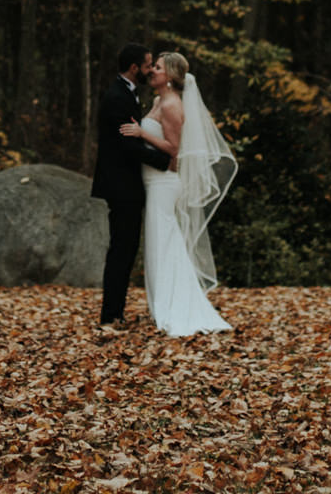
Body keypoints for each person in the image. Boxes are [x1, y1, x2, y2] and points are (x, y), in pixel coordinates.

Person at [118, 50, 237, 336]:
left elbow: (174, 149)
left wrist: (141, 133)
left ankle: (175, 307)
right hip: (152, 181)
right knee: (159, 244)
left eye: (157, 68)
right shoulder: (159, 100)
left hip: (164, 183)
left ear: (170, 75)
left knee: (164, 243)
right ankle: (162, 304)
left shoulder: (172, 105)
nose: (152, 71)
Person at [91, 44, 171, 330]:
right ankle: (110, 315)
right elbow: (128, 146)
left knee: (124, 249)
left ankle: (115, 312)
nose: (151, 70)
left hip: (126, 184)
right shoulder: (117, 97)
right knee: (122, 250)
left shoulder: (125, 93)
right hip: (122, 186)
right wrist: (165, 160)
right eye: (149, 65)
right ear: (135, 68)